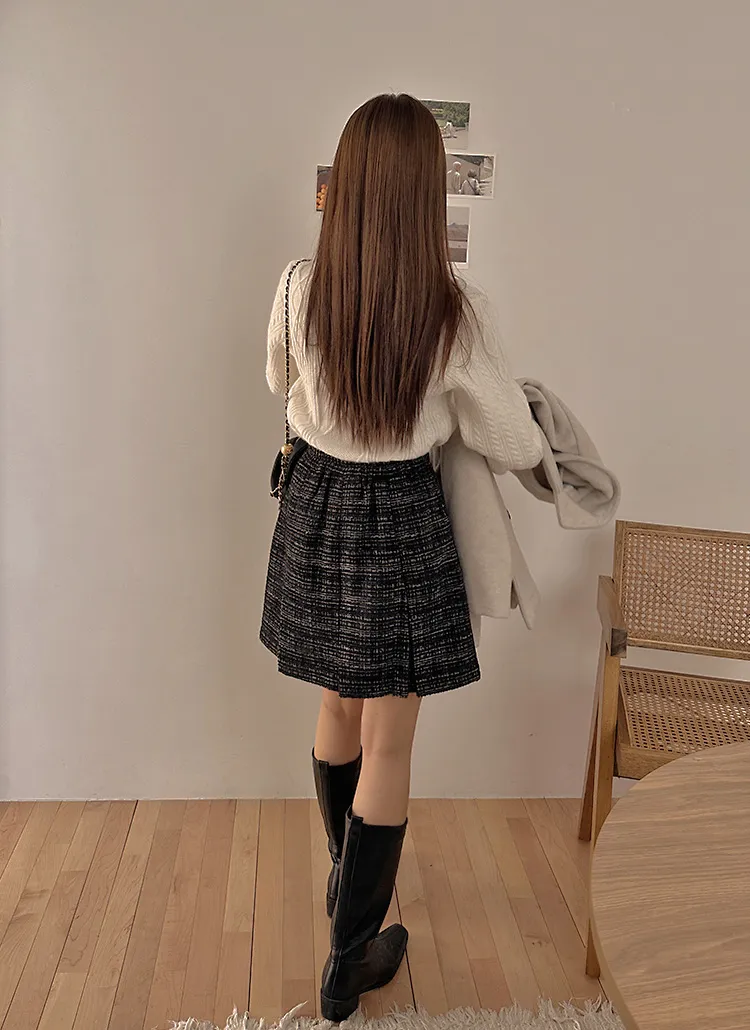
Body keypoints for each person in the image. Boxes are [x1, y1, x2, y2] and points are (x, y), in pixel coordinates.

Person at [261, 93, 542, 1022]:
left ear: (344, 185)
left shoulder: (301, 285)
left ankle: (345, 875)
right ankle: (349, 959)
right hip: (400, 519)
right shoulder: (454, 311)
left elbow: (279, 378)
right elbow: (509, 438)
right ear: (428, 194)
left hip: (317, 506)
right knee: (391, 736)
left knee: (335, 704)